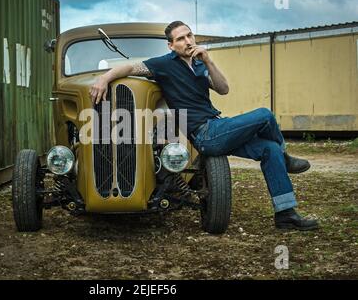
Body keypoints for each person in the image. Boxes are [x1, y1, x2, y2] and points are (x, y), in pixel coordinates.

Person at [90, 21, 319, 231]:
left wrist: (208, 61)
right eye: (180, 39)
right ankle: (286, 155)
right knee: (265, 115)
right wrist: (103, 79)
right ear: (171, 45)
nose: (187, 41)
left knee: (269, 149)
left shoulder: (199, 65)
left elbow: (223, 89)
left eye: (189, 35)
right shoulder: (163, 64)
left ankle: (285, 213)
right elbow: (130, 68)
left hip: (217, 127)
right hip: (204, 134)